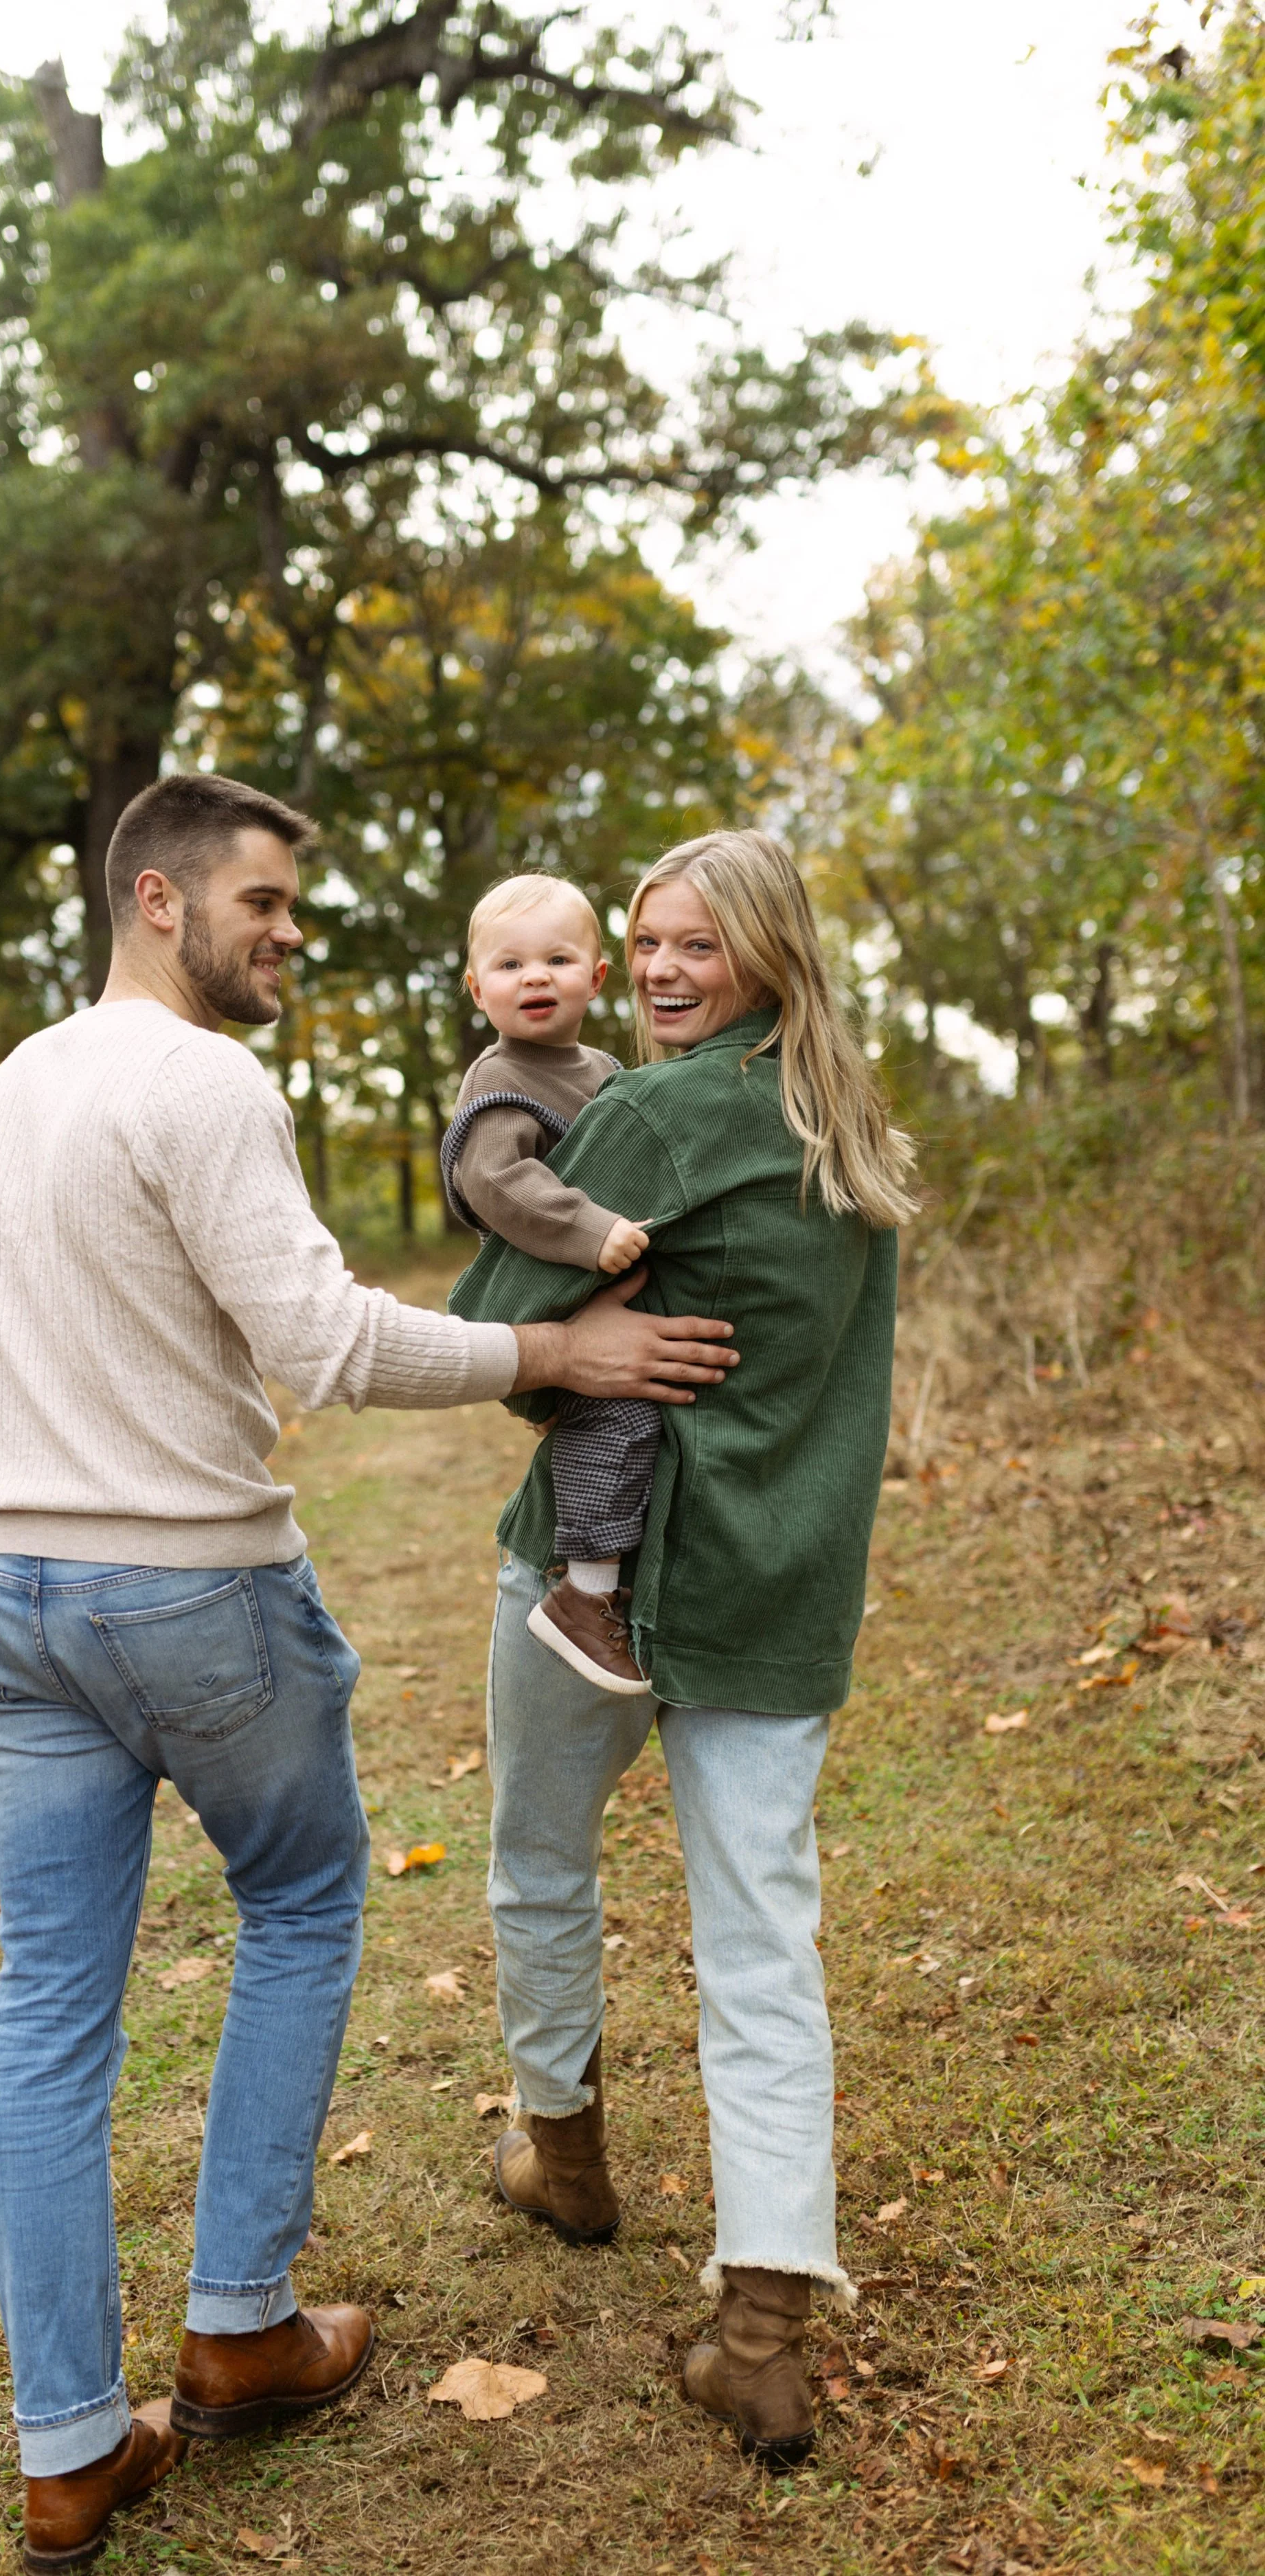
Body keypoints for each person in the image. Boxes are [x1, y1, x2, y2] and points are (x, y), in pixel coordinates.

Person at [0, 771, 744, 2570]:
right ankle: (239, 2324)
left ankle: (69, 2445)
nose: (288, 929)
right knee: (299, 1899)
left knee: (50, 2009)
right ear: (157, 900)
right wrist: (556, 1343)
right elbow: (317, 1338)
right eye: (262, 901)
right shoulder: (205, 1078)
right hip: (186, 1583)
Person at [448, 828, 916, 2470]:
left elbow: (501, 1337)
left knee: (537, 1854)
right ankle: (764, 2329)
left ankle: (563, 2152)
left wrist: (589, 1347)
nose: (653, 971)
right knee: (764, 1940)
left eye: (693, 948)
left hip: (616, 1584)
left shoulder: (647, 1113)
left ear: (770, 955)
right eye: (642, 942)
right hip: (786, 1586)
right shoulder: (848, 1131)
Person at [440, 874, 663, 1697]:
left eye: (557, 959)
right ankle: (585, 1590)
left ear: (597, 977)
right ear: (477, 988)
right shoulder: (500, 1080)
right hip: (549, 1290)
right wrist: (590, 1230)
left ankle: (627, 1567)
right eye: (509, 965)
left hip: (606, 1280)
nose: (534, 978)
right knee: (617, 1412)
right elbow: (495, 1182)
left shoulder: (604, 1068)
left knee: (647, 1414)